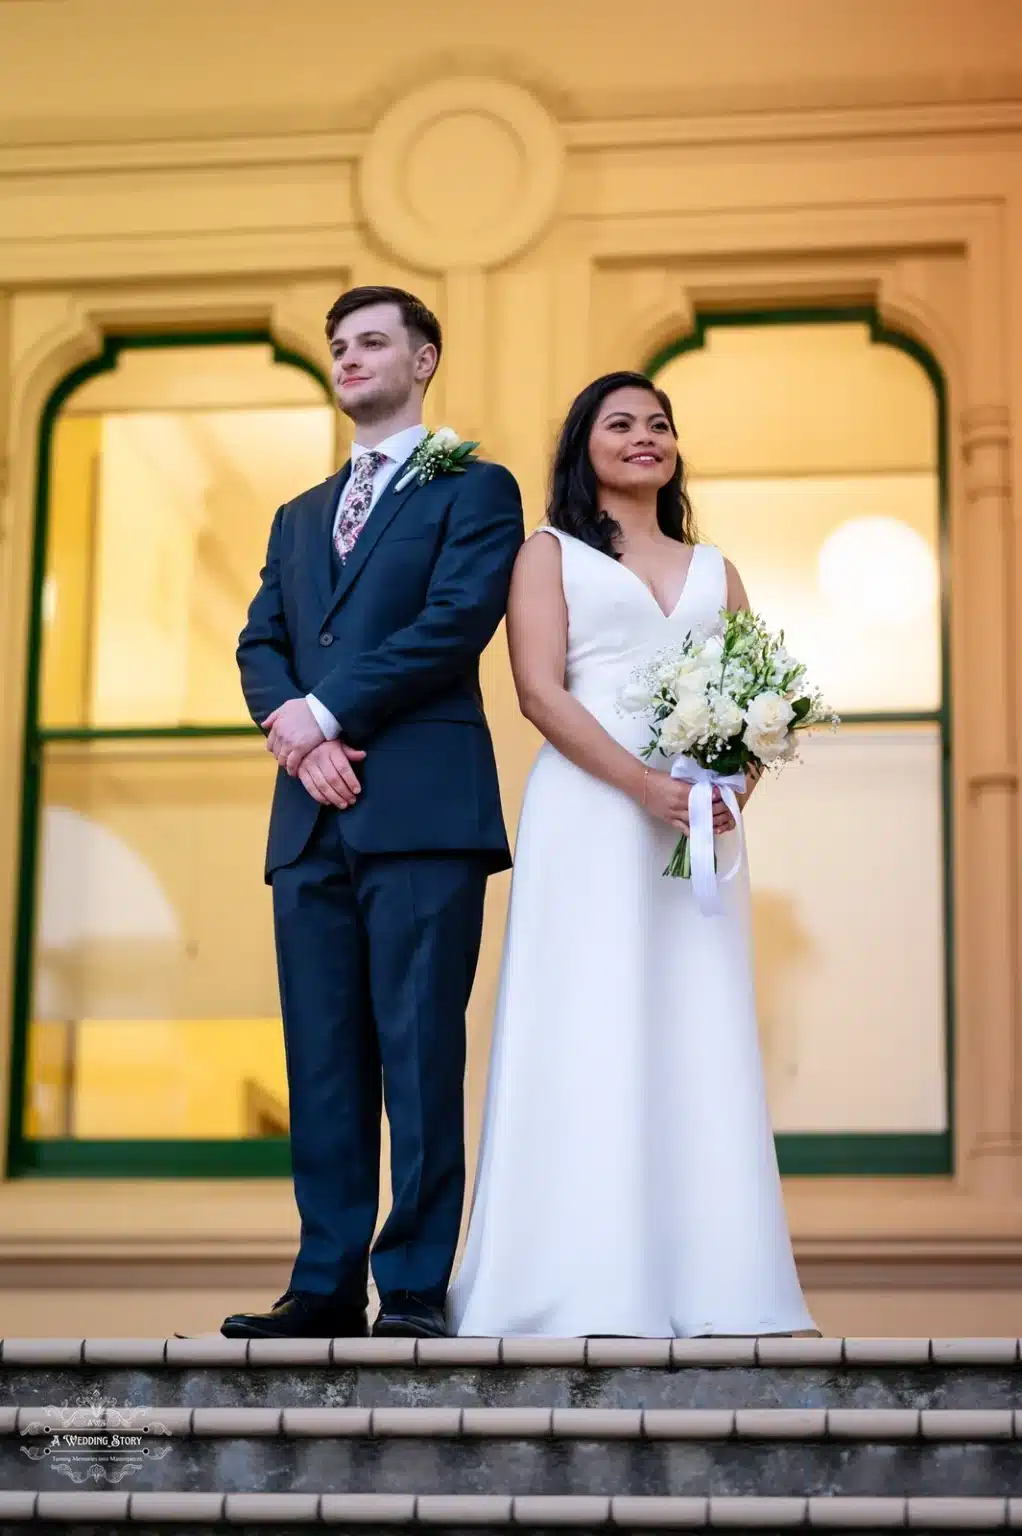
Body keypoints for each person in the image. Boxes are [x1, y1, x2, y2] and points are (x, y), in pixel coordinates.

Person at [448, 372, 816, 1338]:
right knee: (587, 1019)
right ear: (587, 448)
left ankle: (716, 1285)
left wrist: (735, 785)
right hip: (590, 816)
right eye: (621, 424)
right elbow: (540, 691)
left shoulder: (717, 568)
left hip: (697, 830)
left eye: (659, 424)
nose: (645, 437)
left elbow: (756, 698)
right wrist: (641, 785)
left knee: (697, 1021)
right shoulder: (548, 554)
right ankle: (572, 1279)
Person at [222, 286, 524, 1341]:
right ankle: (321, 1284)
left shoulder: (475, 489)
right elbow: (259, 642)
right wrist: (298, 740)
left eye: (372, 342)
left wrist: (325, 711)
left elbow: (453, 625)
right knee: (321, 1056)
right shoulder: (296, 516)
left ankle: (411, 1286)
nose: (349, 358)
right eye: (339, 346)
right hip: (307, 823)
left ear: (423, 359)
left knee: (416, 1048)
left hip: (423, 814)